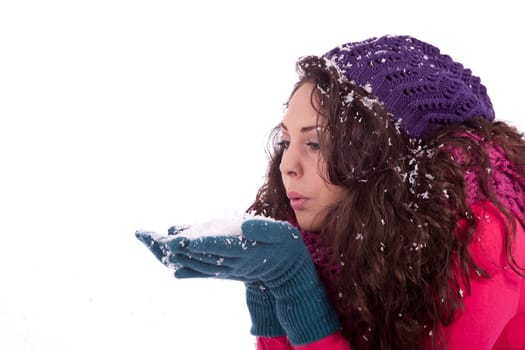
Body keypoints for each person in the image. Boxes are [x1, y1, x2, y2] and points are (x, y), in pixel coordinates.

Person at [136, 35, 525, 349]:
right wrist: (267, 287)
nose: (288, 165)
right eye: (286, 141)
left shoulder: (483, 236)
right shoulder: (343, 230)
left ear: (381, 154)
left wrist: (297, 287)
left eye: (317, 143)